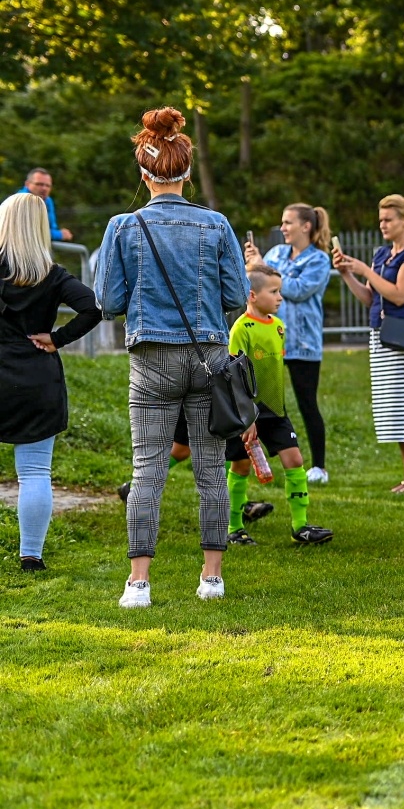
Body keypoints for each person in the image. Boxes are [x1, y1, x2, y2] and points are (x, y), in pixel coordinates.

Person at [95, 106, 249, 608]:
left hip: (151, 360)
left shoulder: (123, 226)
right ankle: (211, 578)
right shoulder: (218, 225)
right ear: (186, 170)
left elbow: (110, 302)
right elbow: (237, 297)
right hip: (209, 356)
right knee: (210, 469)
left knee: (147, 471)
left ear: (145, 172)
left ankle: (138, 583)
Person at [0, 192, 100, 570]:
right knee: (35, 472)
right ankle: (31, 556)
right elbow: (93, 307)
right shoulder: (53, 275)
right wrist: (56, 338)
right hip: (36, 379)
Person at [223, 265, 334, 547]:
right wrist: (246, 417)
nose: (280, 298)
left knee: (295, 459)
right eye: (273, 292)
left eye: (280, 291)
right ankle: (234, 527)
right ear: (252, 295)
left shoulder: (279, 326)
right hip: (247, 414)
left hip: (277, 412)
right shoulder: (241, 329)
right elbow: (234, 375)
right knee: (241, 466)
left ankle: (300, 525)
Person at [333, 194, 404, 492]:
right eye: (381, 219)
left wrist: (365, 270)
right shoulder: (381, 255)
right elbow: (369, 297)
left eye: (389, 219)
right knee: (394, 407)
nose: (383, 224)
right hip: (381, 334)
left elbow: (400, 294)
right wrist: (348, 274)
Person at [246, 204, 333, 484]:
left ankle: (319, 467)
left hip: (303, 344)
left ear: (305, 226)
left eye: (287, 223)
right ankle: (254, 459)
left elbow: (295, 290)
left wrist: (268, 273)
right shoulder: (277, 254)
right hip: (269, 341)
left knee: (308, 403)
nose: (282, 228)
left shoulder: (319, 260)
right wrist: (257, 264)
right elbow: (262, 285)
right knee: (261, 400)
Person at [117, 413, 273, 525]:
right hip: (199, 386)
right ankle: (136, 489)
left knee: (207, 446)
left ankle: (236, 503)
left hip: (218, 389)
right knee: (183, 449)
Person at [17, 169, 72, 242]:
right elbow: (28, 232)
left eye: (48, 186)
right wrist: (60, 235)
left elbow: (52, 227)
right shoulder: (20, 201)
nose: (44, 188)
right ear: (27, 184)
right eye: (39, 184)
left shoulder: (47, 200)